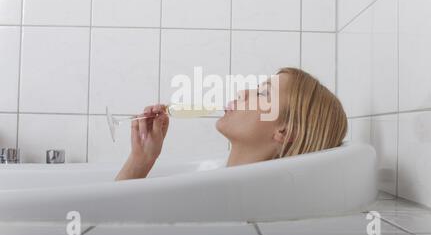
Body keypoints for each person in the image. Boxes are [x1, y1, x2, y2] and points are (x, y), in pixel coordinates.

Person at [115, 67, 348, 181]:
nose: (244, 91)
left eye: (263, 93)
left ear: (285, 132)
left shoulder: (230, 200)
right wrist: (141, 159)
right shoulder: (219, 186)